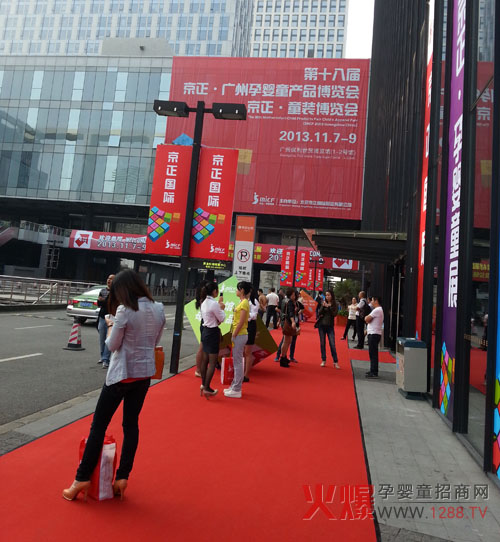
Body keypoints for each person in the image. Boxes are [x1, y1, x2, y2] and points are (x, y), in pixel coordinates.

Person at [63, 270, 165, 501]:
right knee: (131, 425)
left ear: (123, 290)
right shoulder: (158, 308)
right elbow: (155, 341)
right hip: (143, 375)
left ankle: (81, 478)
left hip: (121, 375)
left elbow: (111, 345)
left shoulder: (125, 310)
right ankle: (122, 478)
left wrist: (110, 325)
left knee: (98, 426)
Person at [225, 281, 250, 399]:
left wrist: (234, 334)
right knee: (237, 361)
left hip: (240, 334)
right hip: (238, 334)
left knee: (238, 362)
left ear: (242, 290)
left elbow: (241, 321)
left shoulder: (244, 303)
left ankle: (236, 388)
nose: (236, 291)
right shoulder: (242, 302)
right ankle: (234, 385)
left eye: (237, 289)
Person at [200, 281, 225, 397]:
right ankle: (207, 387)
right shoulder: (214, 304)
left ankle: (203, 384)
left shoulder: (204, 302)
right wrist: (222, 308)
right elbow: (222, 318)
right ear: (214, 291)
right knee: (213, 362)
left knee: (205, 360)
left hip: (205, 331)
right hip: (212, 332)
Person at [317, 289, 340, 368]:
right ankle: (323, 360)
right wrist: (323, 306)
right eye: (326, 295)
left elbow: (334, 314)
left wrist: (329, 307)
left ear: (332, 295)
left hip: (330, 326)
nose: (327, 297)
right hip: (321, 325)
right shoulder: (323, 302)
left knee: (332, 344)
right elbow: (319, 313)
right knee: (322, 343)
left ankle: (335, 361)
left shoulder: (335, 304)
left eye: (329, 295)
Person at [97, 274, 115, 368]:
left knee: (109, 339)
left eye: (111, 279)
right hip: (102, 316)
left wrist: (103, 301)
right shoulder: (102, 290)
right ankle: (102, 356)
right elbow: (98, 303)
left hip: (112, 317)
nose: (109, 280)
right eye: (108, 278)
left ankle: (106, 359)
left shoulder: (116, 292)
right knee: (102, 338)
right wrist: (104, 301)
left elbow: (110, 304)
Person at [278, 288, 298, 368]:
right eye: (293, 294)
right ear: (291, 294)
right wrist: (293, 322)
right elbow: (290, 313)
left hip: (284, 321)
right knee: (287, 341)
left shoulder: (284, 300)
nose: (294, 296)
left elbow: (280, 310)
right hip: (287, 322)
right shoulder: (289, 302)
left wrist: (279, 320)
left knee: (287, 340)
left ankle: (284, 356)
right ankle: (283, 358)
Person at [365, 296, 384, 378]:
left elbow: (367, 319)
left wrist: (366, 318)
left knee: (373, 353)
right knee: (373, 353)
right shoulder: (378, 310)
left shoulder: (377, 310)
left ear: (376, 301)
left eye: (372, 300)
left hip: (374, 334)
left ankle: (374, 372)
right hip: (374, 333)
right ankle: (373, 370)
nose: (371, 302)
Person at [194, 280, 210, 378]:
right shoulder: (204, 301)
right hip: (206, 324)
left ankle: (200, 369)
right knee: (202, 347)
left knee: (203, 347)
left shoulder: (202, 299)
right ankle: (198, 370)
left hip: (204, 323)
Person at [244, 287, 259, 382]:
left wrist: (245, 315)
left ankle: (246, 374)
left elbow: (254, 315)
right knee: (242, 351)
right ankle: (241, 371)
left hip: (250, 325)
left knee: (247, 351)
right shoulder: (243, 300)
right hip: (243, 325)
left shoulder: (254, 302)